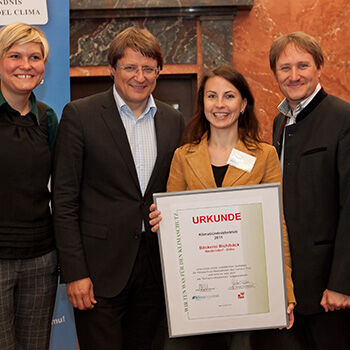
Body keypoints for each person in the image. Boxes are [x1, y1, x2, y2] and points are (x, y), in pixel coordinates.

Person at [53, 26, 184, 350]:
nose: (140, 76)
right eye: (130, 67)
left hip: (156, 272)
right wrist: (75, 273)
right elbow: (64, 200)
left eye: (148, 68)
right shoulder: (80, 115)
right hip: (98, 274)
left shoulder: (173, 120)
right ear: (112, 69)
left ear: (158, 72)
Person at [149, 65, 295, 349]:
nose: (219, 105)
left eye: (229, 96)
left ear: (243, 104)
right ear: (202, 102)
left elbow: (277, 227)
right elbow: (172, 228)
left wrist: (285, 290)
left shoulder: (264, 155)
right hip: (196, 292)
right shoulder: (183, 156)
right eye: (211, 96)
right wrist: (161, 221)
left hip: (247, 291)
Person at [270, 31, 350, 349]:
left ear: (319, 67)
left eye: (302, 65)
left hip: (330, 290)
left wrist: (343, 283)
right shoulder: (280, 122)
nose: (294, 75)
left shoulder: (343, 118)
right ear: (274, 73)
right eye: (284, 67)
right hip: (293, 288)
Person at [0, 22, 58, 349]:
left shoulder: (47, 119)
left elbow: (61, 187)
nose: (25, 65)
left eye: (34, 57)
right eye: (15, 55)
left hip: (41, 259)